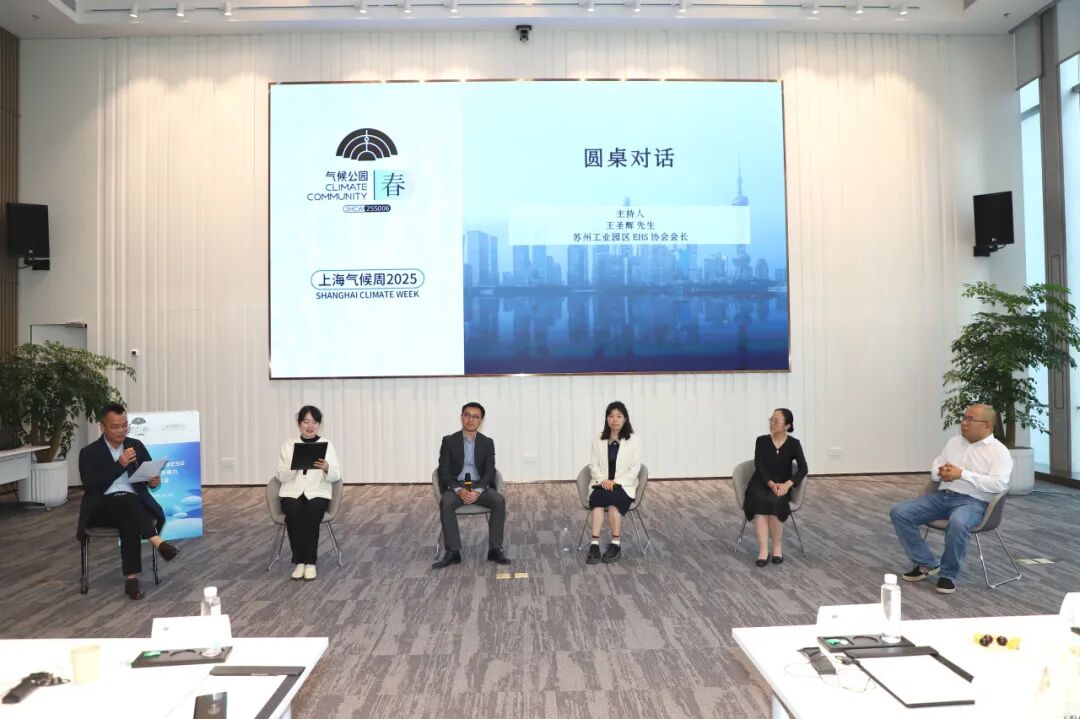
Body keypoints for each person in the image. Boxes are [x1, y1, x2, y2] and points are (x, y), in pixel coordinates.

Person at [890, 404, 1012, 594]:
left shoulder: (999, 452)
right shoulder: (954, 442)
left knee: (958, 522)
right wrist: (940, 472)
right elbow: (936, 466)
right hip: (943, 497)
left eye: (970, 419)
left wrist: (962, 474)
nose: (964, 423)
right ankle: (926, 563)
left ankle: (948, 574)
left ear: (987, 425)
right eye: (964, 418)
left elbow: (999, 484)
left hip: (973, 502)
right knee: (900, 512)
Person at [76, 402, 179, 600]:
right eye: (115, 426)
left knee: (128, 509)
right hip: (101, 509)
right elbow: (92, 487)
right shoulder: (89, 453)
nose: (121, 430)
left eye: (125, 425)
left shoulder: (135, 446)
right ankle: (157, 542)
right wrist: (119, 464)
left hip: (132, 507)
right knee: (127, 502)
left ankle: (132, 580)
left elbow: (148, 477)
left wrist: (153, 481)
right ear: (102, 427)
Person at [433, 402, 509, 568]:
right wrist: (459, 489)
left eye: (475, 416)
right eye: (467, 415)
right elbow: (443, 471)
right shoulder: (449, 441)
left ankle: (495, 549)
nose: (470, 419)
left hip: (479, 486)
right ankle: (453, 552)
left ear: (481, 421)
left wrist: (478, 491)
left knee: (499, 501)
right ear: (461, 417)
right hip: (457, 485)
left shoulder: (487, 442)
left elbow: (490, 472)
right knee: (446, 502)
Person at [274, 405, 342, 580]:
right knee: (294, 512)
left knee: (311, 512)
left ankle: (310, 562)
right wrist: (293, 466)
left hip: (317, 491)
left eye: (314, 422)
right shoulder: (289, 445)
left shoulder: (327, 445)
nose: (310, 426)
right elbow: (280, 475)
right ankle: (299, 562)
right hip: (292, 491)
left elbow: (336, 475)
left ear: (319, 424)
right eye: (305, 422)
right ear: (299, 424)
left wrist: (326, 468)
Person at [743, 408, 808, 567]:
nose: (772, 423)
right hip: (761, 483)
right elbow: (759, 466)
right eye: (771, 420)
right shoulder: (761, 441)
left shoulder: (794, 444)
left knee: (776, 503)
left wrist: (787, 484)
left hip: (782, 485)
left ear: (787, 426)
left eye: (776, 421)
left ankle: (777, 547)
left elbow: (803, 468)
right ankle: (763, 550)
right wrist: (771, 484)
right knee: (759, 503)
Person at [585, 401, 643, 565]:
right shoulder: (598, 438)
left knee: (613, 503)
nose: (615, 419)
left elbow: (635, 468)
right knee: (597, 501)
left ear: (625, 419)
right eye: (611, 416)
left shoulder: (634, 440)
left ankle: (615, 543)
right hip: (602, 483)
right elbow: (593, 464)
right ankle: (594, 544)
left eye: (619, 416)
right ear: (607, 419)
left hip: (623, 485)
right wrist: (603, 480)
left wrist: (615, 483)